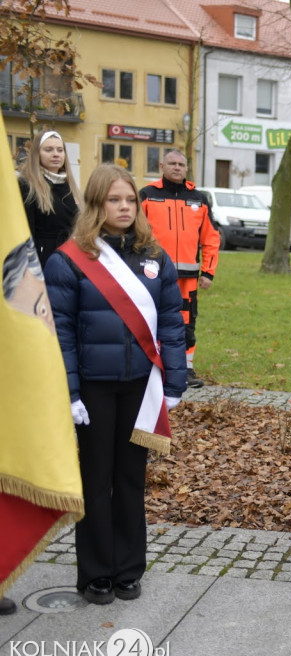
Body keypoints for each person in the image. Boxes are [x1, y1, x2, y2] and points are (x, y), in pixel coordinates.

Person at [44, 164, 186, 604]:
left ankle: (127, 569)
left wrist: (175, 382)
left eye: (130, 200)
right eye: (114, 200)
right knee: (95, 479)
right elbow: (60, 332)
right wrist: (69, 393)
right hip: (94, 390)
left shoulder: (155, 257)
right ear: (96, 205)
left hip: (141, 387)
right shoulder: (69, 259)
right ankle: (95, 573)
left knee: (130, 480)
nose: (124, 207)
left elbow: (171, 324)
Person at [140, 150, 220, 389]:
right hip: (152, 274)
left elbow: (211, 238)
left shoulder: (199, 199)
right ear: (161, 166)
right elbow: (135, 233)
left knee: (186, 322)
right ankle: (152, 366)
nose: (177, 167)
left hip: (188, 277)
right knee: (152, 319)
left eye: (181, 164)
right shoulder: (147, 195)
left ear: (187, 168)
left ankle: (186, 368)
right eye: (172, 163)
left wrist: (208, 272)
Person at [17, 130, 80, 267]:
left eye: (60, 150)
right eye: (48, 150)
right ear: (37, 154)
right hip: (42, 259)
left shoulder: (70, 186)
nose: (56, 154)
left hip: (69, 257)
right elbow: (26, 231)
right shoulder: (27, 186)